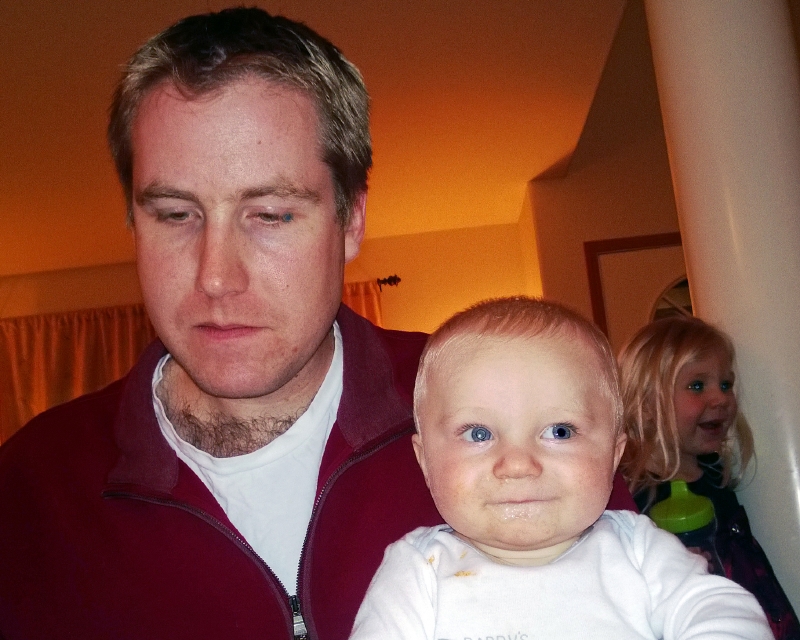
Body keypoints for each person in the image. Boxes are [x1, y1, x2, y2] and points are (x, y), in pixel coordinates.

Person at [0, 9, 634, 639]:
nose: (216, 277)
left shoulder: (525, 415)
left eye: (271, 215)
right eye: (174, 215)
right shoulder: (31, 492)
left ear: (350, 220)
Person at [350, 297, 771, 640]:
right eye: (479, 434)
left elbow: (724, 613)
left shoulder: (640, 551)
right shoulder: (416, 572)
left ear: (614, 455)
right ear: (425, 461)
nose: (518, 465)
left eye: (559, 431)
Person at [618, 315, 799, 640]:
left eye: (726, 385)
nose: (721, 399)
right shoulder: (632, 493)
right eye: (697, 386)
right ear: (646, 404)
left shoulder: (715, 472)